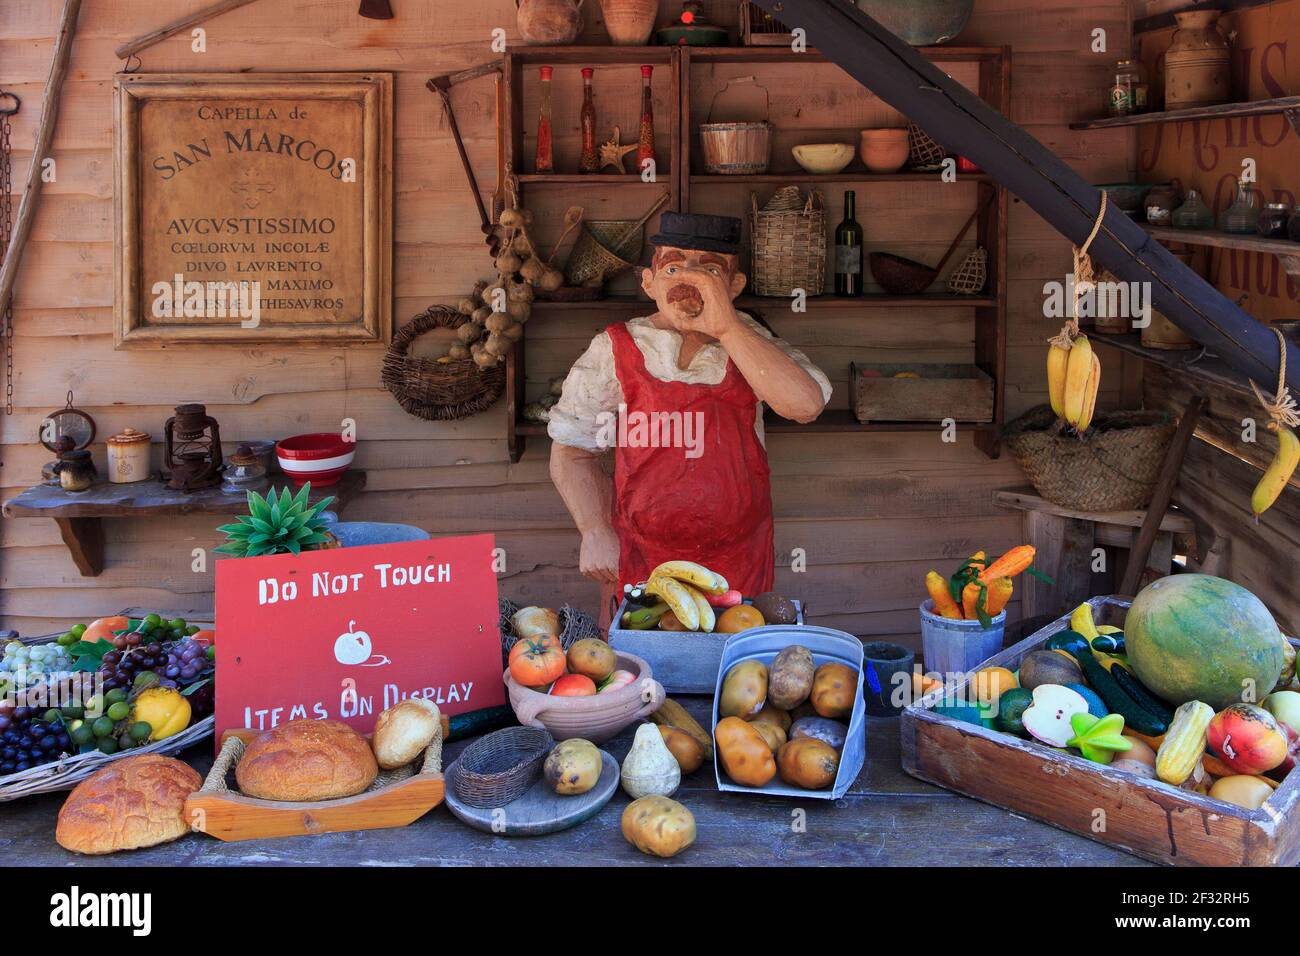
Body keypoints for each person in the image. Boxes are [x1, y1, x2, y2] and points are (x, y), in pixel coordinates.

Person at [547, 212, 831, 620]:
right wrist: (595, 531)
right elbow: (572, 449)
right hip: (638, 555)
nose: (692, 280)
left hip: (738, 556)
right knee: (640, 671)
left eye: (711, 270)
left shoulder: (750, 343)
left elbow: (805, 405)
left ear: (734, 286)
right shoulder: (617, 347)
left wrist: (729, 327)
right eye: (675, 266)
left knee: (734, 674)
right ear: (649, 282)